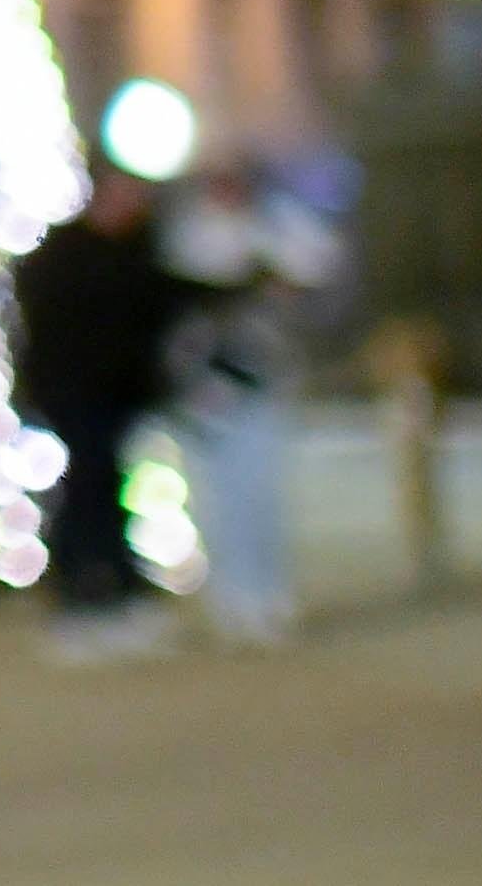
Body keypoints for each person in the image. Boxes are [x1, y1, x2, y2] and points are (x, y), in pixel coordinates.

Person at [158, 155, 336, 643]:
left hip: (266, 379)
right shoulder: (187, 235)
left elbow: (315, 269)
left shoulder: (277, 226)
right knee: (218, 497)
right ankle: (231, 599)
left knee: (263, 494)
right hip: (207, 389)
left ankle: (268, 594)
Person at [12, 166, 188, 660]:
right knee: (88, 495)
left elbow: (163, 298)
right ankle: (87, 596)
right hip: (75, 396)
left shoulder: (133, 251)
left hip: (113, 397)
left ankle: (108, 593)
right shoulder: (66, 257)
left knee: (102, 492)